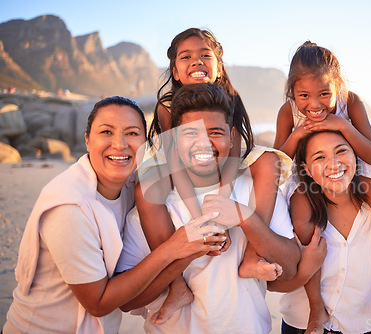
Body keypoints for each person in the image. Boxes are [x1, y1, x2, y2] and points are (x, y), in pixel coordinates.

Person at [2, 96, 225, 334]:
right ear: (87, 140)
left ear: (146, 144)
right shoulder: (69, 209)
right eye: (106, 132)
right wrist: (173, 250)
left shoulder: (130, 183)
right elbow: (98, 303)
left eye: (131, 133)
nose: (119, 144)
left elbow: (176, 160)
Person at [117, 82, 300, 333]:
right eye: (191, 133)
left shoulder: (254, 190)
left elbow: (290, 270)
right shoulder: (153, 204)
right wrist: (184, 252)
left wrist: (246, 219)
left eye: (215, 132)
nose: (203, 142)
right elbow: (127, 302)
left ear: (232, 136)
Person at [139, 28, 292, 324]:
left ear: (219, 65)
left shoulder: (230, 99)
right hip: (178, 161)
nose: (196, 61)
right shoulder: (167, 105)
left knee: (268, 162)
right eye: (186, 57)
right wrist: (201, 219)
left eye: (204, 55)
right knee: (145, 184)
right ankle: (177, 286)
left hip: (221, 162)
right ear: (175, 69)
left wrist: (221, 207)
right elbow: (173, 160)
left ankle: (252, 254)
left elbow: (233, 157)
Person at [273, 41, 371, 331]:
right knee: (300, 212)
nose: (315, 104)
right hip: (308, 172)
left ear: (338, 86)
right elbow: (278, 163)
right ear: (292, 93)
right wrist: (297, 135)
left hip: (354, 164)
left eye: (325, 94)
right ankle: (316, 307)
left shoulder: (352, 102)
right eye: (303, 96)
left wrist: (344, 126)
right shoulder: (288, 112)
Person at [275, 130, 371, 334]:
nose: (334, 163)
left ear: (355, 156)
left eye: (341, 151)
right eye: (320, 157)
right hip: (302, 325)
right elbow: (275, 279)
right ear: (307, 170)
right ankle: (316, 308)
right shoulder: (296, 209)